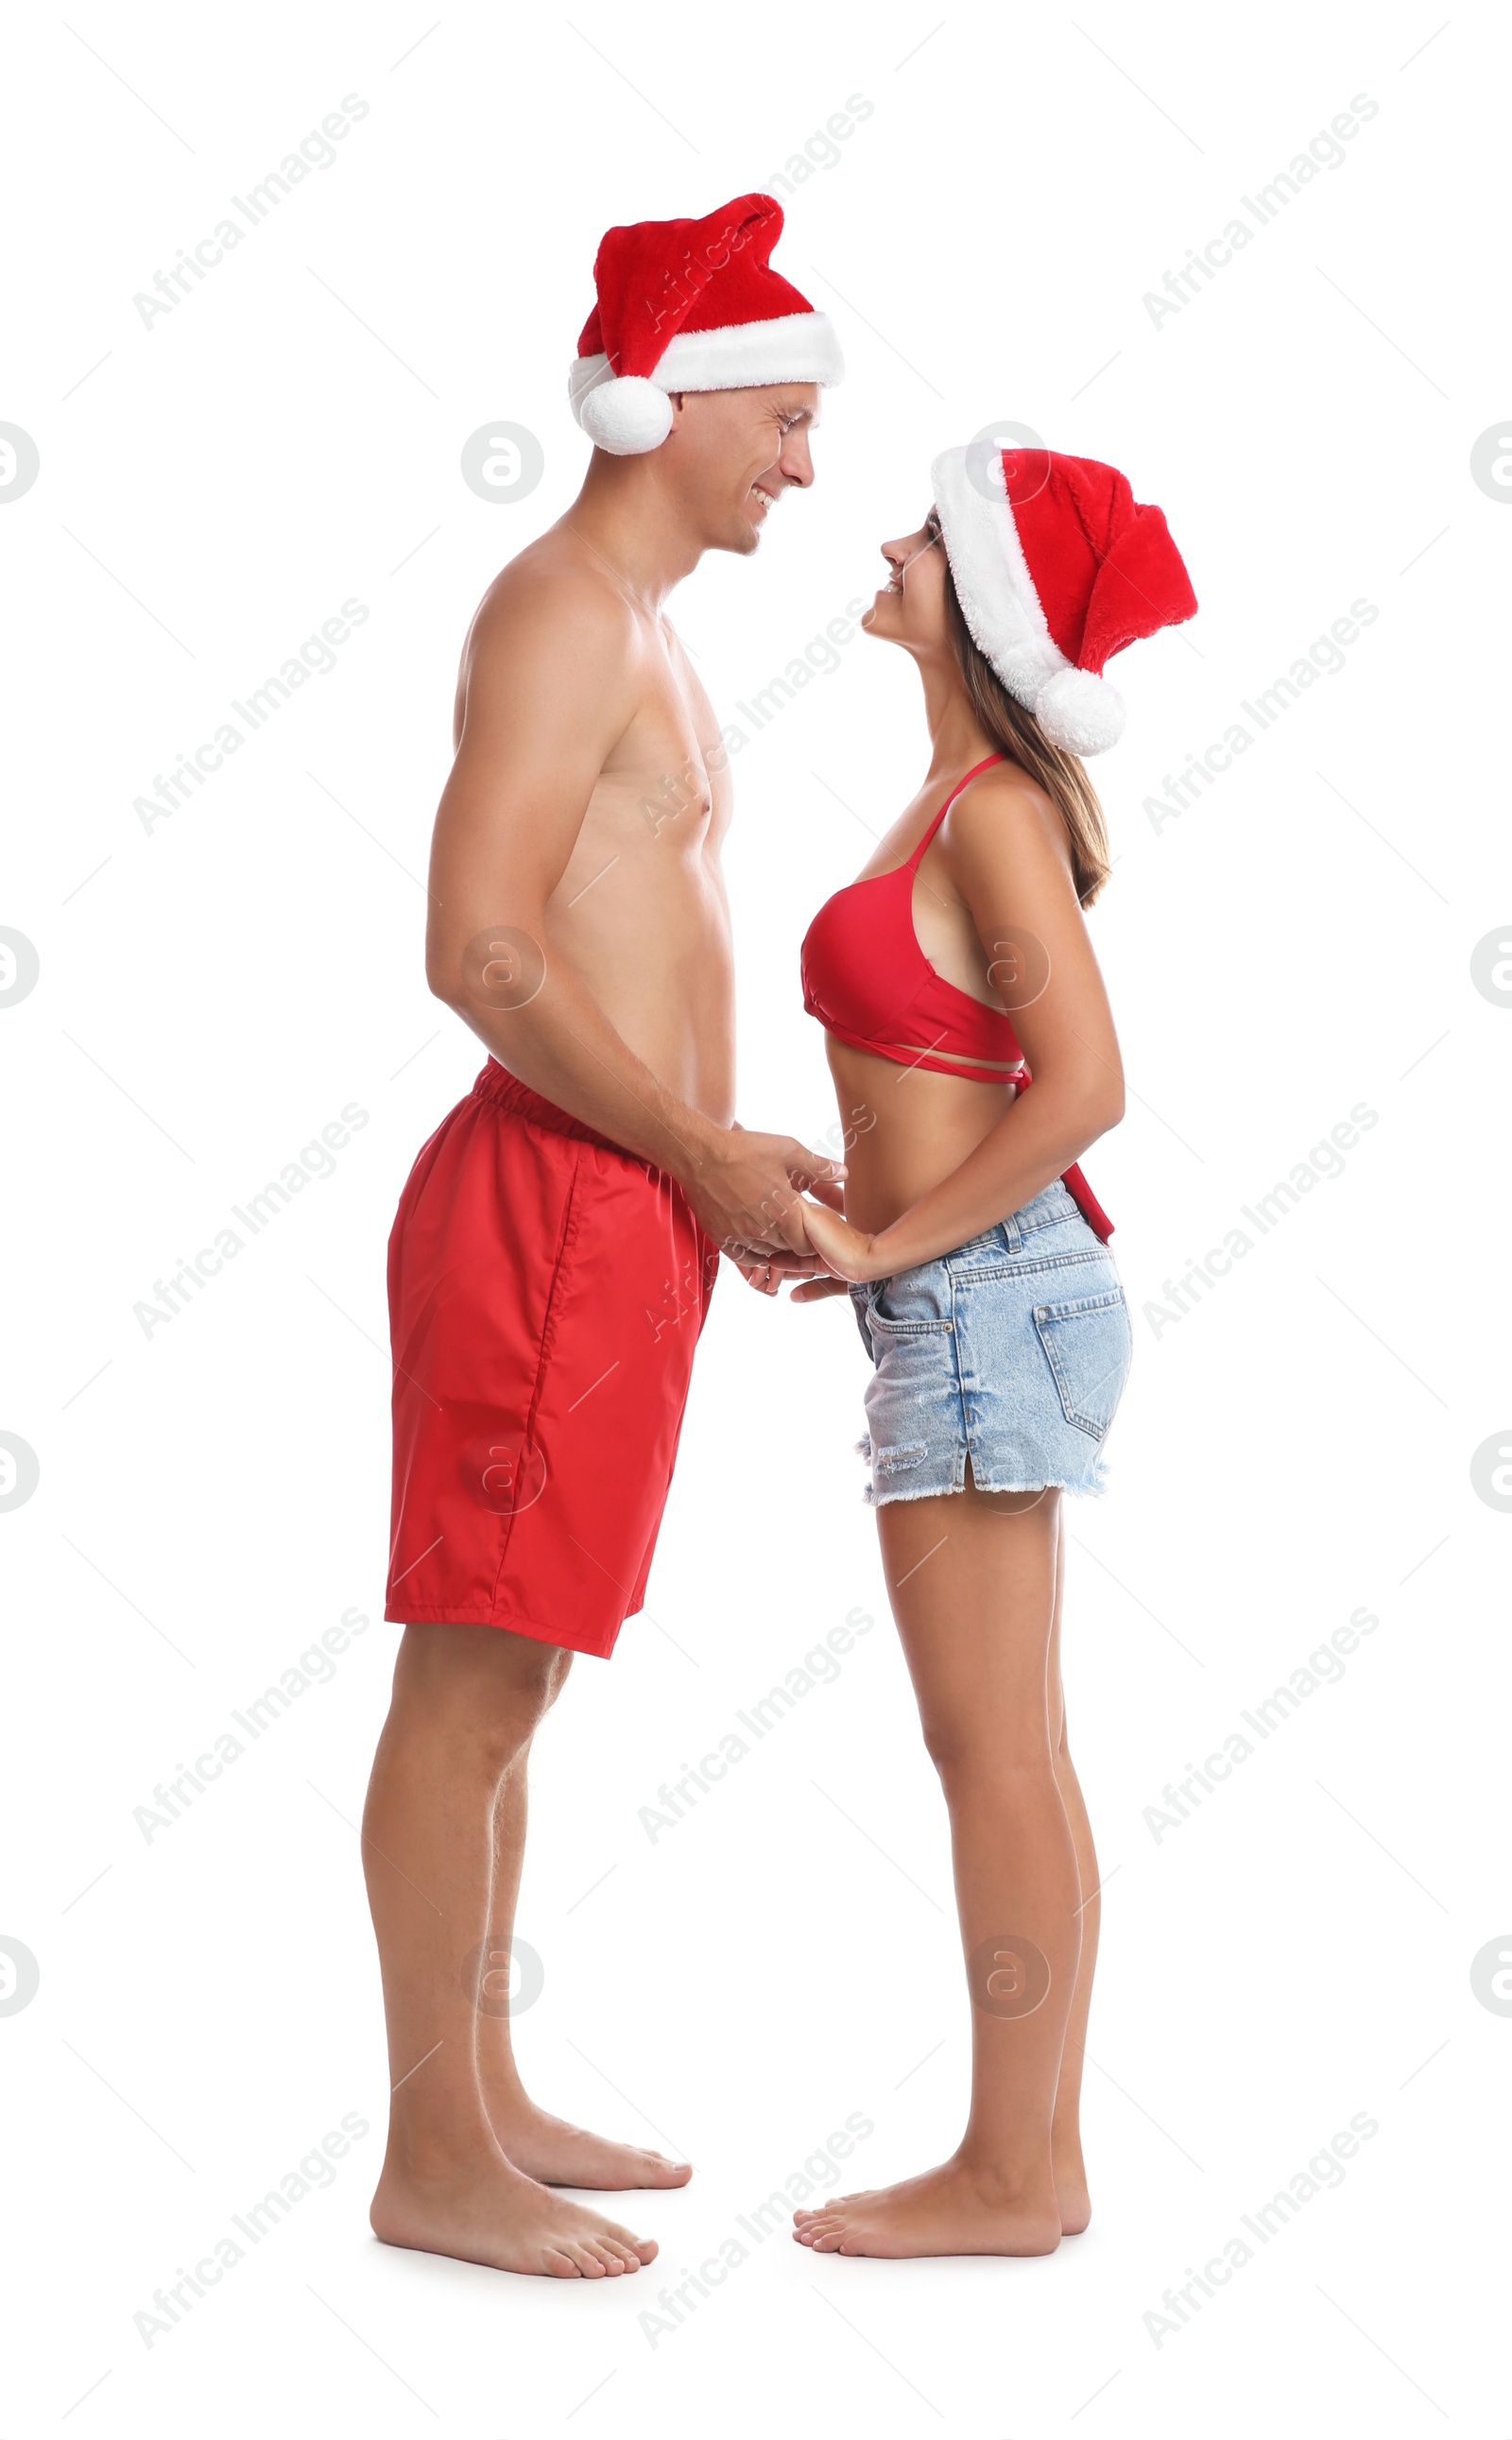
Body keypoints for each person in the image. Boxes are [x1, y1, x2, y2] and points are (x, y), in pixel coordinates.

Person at [364, 193, 845, 2281]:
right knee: (464, 1682)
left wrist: (715, 1163)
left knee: (523, 1676)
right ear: (674, 398)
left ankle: (485, 2092)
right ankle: (425, 2155)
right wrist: (685, 1147)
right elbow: (473, 949)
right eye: (787, 418)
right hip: (551, 1201)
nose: (805, 466)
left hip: (619, 1202)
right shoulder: (560, 608)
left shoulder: (645, 628)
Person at [785, 441, 1196, 2259]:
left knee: (993, 1754)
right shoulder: (946, 795)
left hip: (979, 1299)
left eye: (932, 536)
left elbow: (1087, 1085)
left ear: (994, 607)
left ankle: (1015, 2173)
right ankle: (1037, 2165)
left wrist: (892, 1236)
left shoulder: (991, 815)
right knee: (1012, 1743)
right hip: (965, 1294)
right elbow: (943, 1066)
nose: (888, 537)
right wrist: (846, 1198)